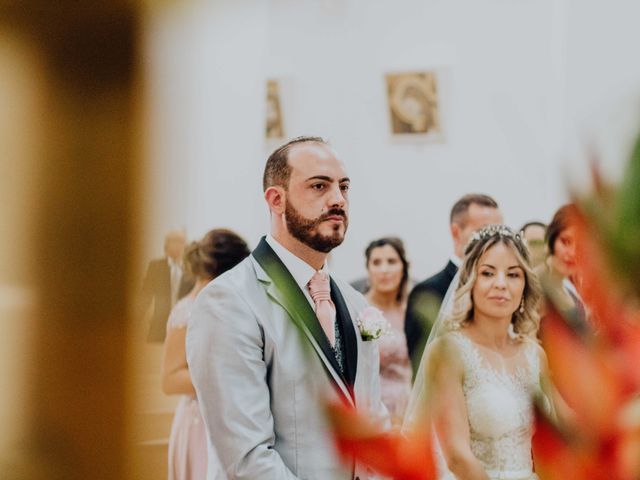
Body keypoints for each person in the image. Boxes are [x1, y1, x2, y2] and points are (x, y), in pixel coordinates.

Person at [187, 136, 388, 479]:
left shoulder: (355, 303)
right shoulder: (229, 302)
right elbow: (247, 457)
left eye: (344, 187)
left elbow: (372, 421)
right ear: (276, 200)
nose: (338, 199)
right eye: (319, 186)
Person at [405, 224, 549, 480]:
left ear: (525, 285)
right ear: (469, 280)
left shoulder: (534, 354)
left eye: (513, 275)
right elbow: (456, 456)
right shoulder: (449, 352)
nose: (501, 284)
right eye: (488, 273)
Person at [161, 229, 250, 480]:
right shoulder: (186, 312)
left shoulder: (225, 307)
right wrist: (228, 374)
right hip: (199, 421)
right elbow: (169, 380)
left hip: (226, 418)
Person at [404, 194, 502, 375]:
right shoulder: (427, 292)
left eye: (499, 232)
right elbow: (420, 365)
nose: (494, 240)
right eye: (485, 231)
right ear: (456, 232)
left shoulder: (505, 290)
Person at [364, 237, 412, 425]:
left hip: (412, 407)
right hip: (375, 410)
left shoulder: (412, 310)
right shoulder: (360, 309)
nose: (384, 270)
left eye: (391, 262)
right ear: (368, 269)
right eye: (376, 263)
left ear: (403, 267)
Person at [537, 204, 589, 333]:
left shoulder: (570, 287)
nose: (572, 253)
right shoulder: (533, 284)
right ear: (552, 240)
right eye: (565, 242)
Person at [140, 229, 195, 342]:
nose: (177, 245)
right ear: (166, 244)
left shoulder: (191, 268)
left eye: (180, 241)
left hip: (184, 329)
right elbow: (145, 297)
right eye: (173, 241)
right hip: (159, 328)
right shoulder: (155, 266)